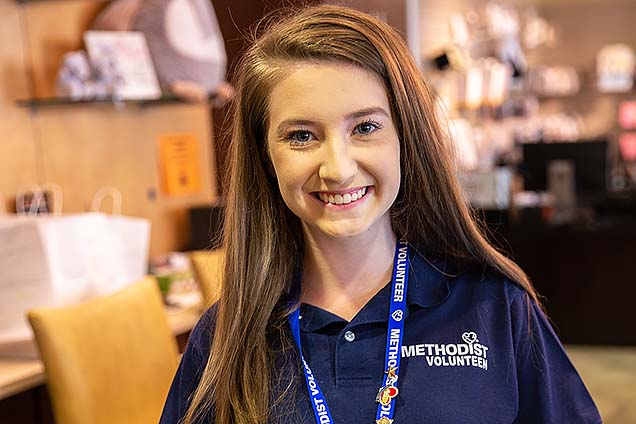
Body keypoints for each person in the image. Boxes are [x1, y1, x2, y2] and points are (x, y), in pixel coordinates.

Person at [160, 5, 601, 424]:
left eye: (365, 128)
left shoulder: (495, 307)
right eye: (301, 136)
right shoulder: (222, 339)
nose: (338, 168)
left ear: (405, 136)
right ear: (265, 156)